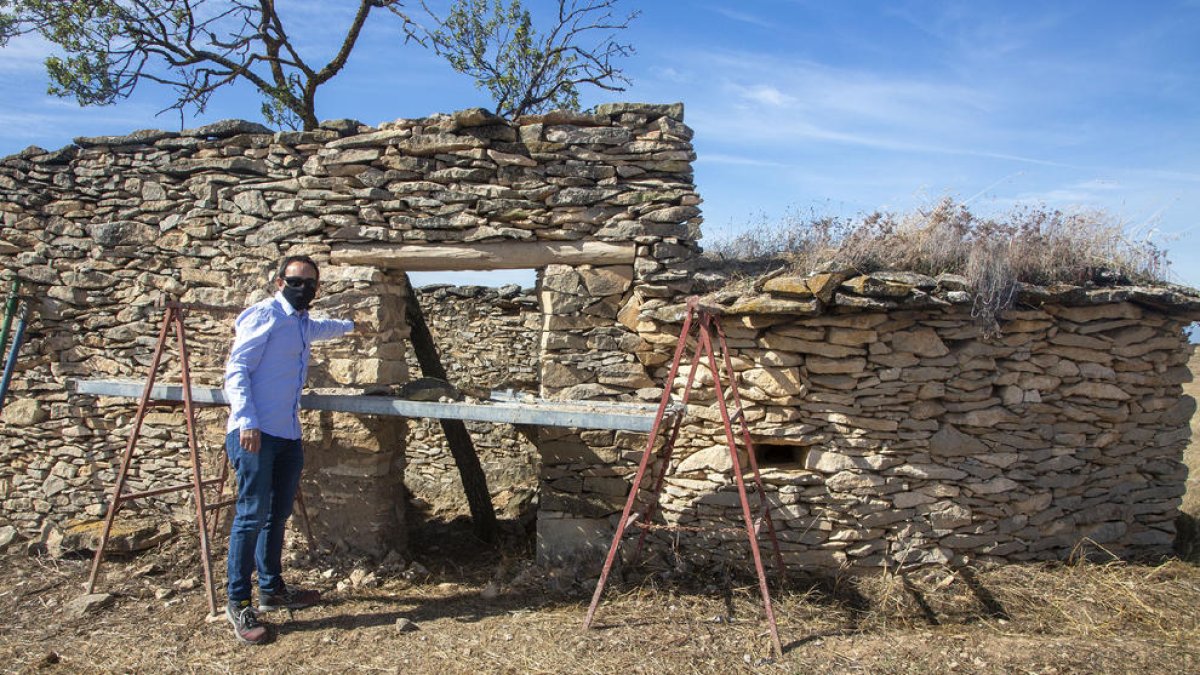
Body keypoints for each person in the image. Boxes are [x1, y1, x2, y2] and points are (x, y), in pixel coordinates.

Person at [222, 254, 354, 645]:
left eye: (310, 282)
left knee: (276, 516)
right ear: (279, 281)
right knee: (250, 516)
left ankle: (272, 589)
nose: (303, 288)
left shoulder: (299, 323)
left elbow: (322, 329)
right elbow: (237, 370)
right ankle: (238, 602)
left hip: (287, 435)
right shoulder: (264, 315)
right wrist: (247, 421)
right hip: (256, 434)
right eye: (295, 281)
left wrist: (354, 326)